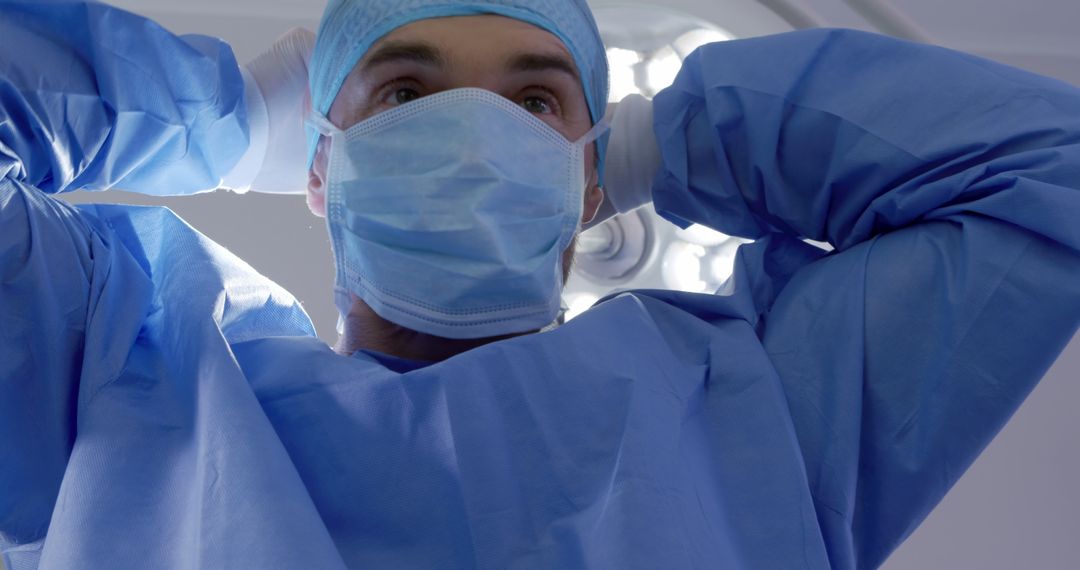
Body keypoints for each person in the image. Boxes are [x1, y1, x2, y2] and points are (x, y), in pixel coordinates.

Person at [1, 0, 1078, 568]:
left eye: (535, 105)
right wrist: (226, 115)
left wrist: (676, 143)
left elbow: (1047, 167)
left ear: (591, 172)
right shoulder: (130, 356)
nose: (470, 135)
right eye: (406, 93)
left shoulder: (751, 405)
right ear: (318, 166)